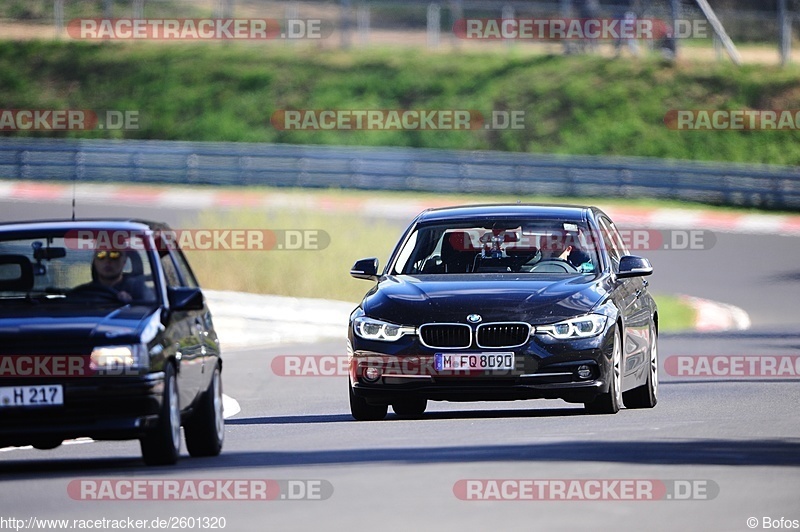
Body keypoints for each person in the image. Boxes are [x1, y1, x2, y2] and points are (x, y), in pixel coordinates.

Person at [80, 248, 154, 303]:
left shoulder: (138, 290)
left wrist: (132, 304)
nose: (107, 260)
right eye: (101, 255)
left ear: (124, 261)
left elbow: (151, 311)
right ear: (95, 261)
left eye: (114, 255)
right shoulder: (82, 293)